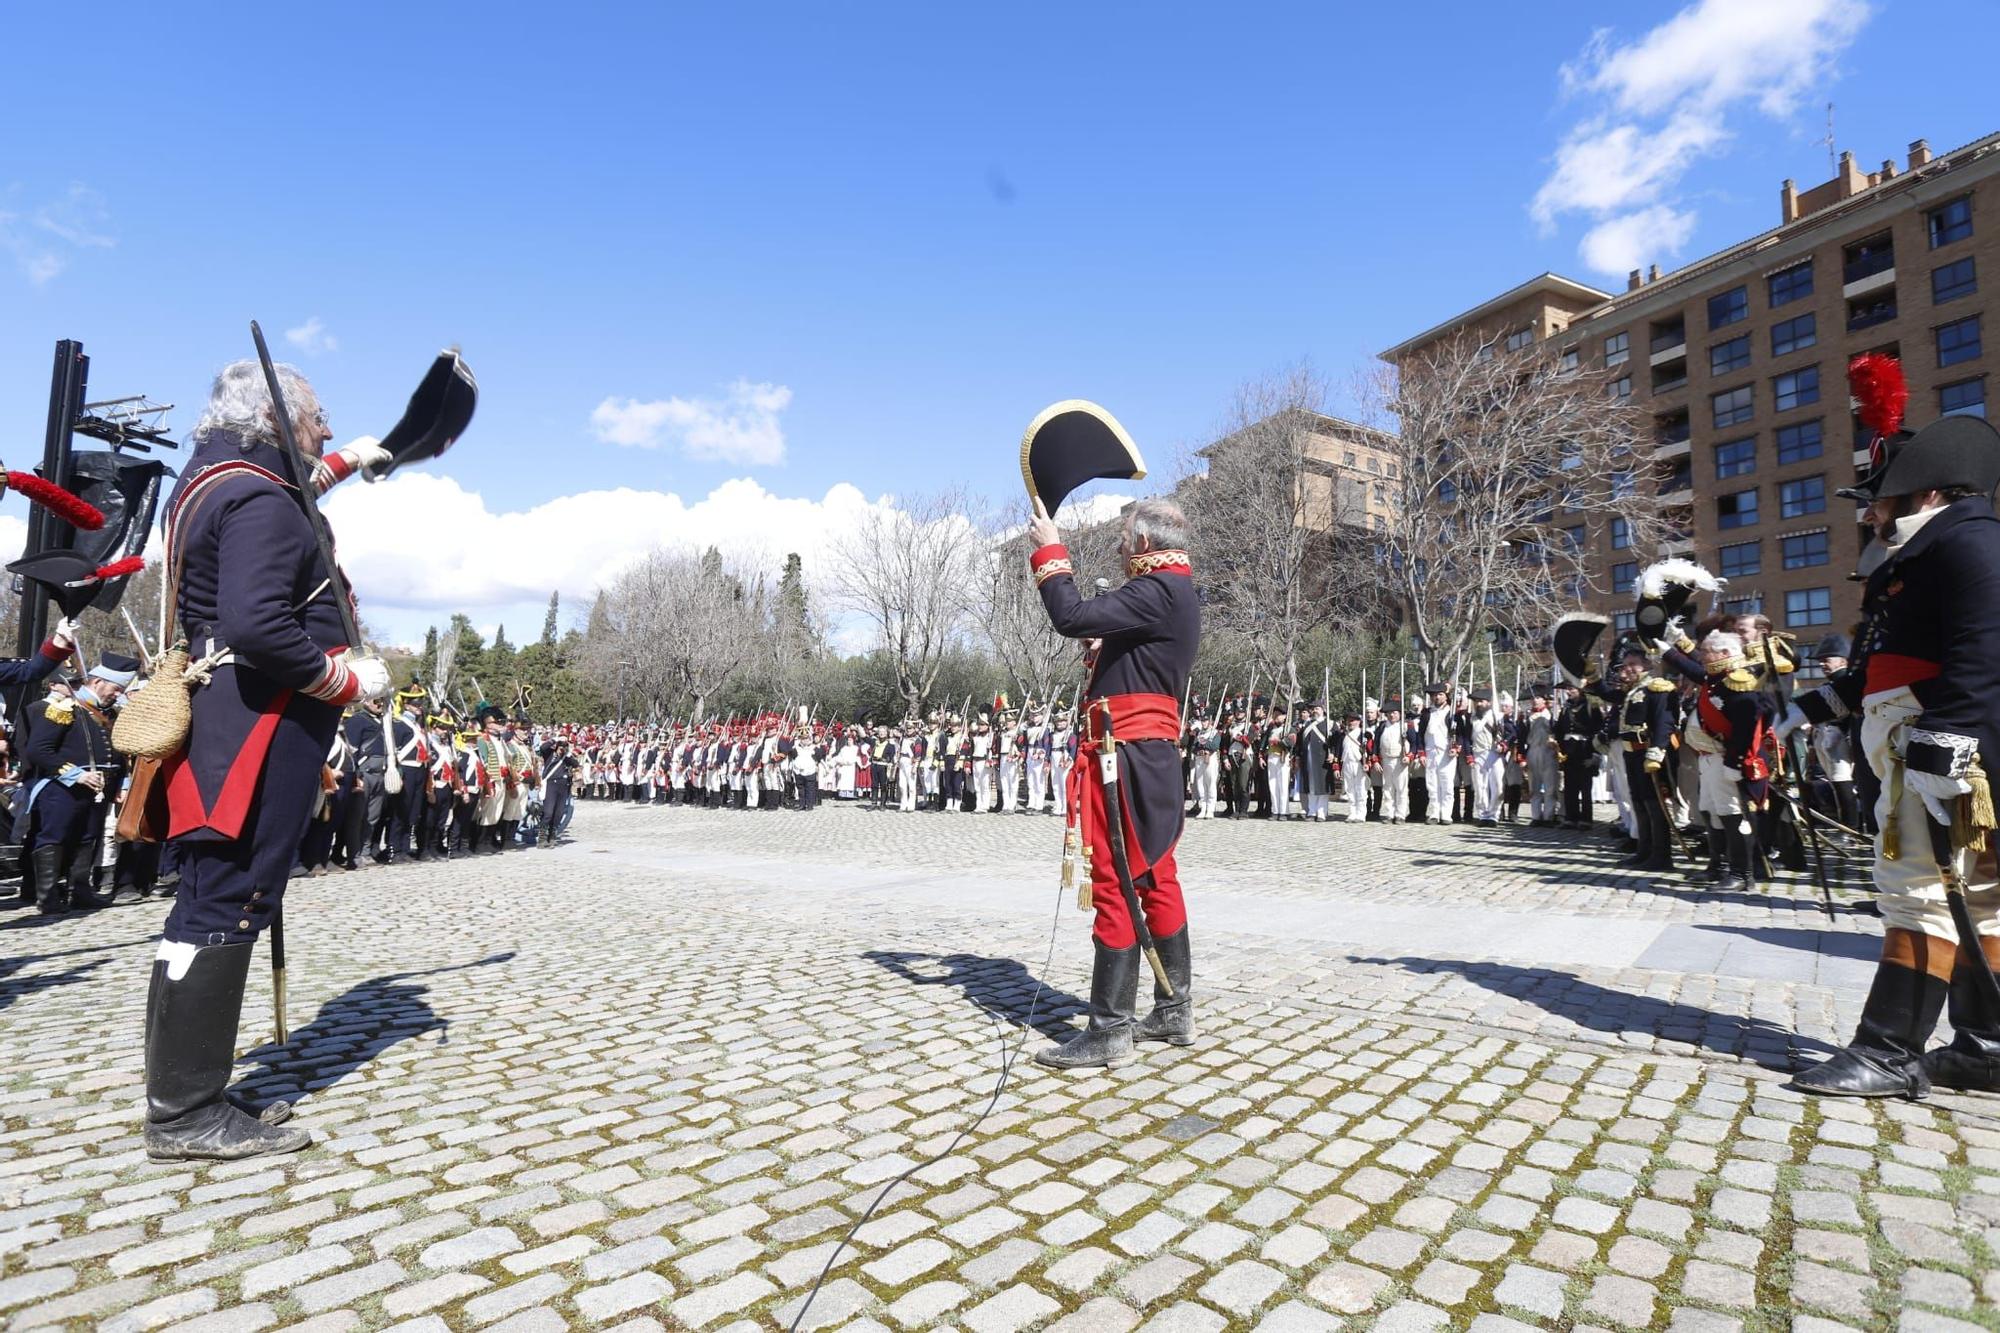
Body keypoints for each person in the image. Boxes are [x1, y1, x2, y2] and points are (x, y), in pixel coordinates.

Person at [144, 358, 392, 1160]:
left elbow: (285, 490)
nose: (322, 430)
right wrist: (345, 676)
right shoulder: (258, 496)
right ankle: (185, 1116)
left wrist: (348, 461)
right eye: (316, 419)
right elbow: (256, 623)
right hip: (258, 725)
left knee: (206, 903)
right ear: (277, 422)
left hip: (230, 719)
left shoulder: (215, 477)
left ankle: (185, 1095)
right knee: (228, 901)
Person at [1783, 412, 2000, 1098]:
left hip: (1942, 748)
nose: (1871, 510)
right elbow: (1883, 665)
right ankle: (1986, 1046)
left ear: (1926, 492)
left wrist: (1946, 748)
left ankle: (1888, 1051)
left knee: (1916, 894)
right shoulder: (1925, 551)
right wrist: (1815, 704)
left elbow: (1984, 648)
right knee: (1986, 902)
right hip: (1935, 740)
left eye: (1881, 495)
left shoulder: (1967, 542)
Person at [1026, 496, 1200, 1070]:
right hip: (1147, 755)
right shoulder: (1174, 590)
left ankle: (1108, 1031)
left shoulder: (1155, 590)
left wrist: (1050, 549)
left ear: (1146, 543)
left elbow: (1070, 614)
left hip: (1123, 754)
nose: (1122, 548)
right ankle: (1174, 1010)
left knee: (1116, 879)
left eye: (1126, 538)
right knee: (1154, 877)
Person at [24, 652, 134, 913]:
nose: (117, 695)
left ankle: (80, 891)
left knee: (88, 837)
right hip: (62, 787)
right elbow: (38, 750)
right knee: (55, 837)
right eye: (116, 689)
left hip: (99, 788)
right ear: (98, 683)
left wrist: (121, 782)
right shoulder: (65, 708)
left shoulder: (108, 713)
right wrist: (76, 775)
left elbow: (115, 753)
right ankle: (48, 896)